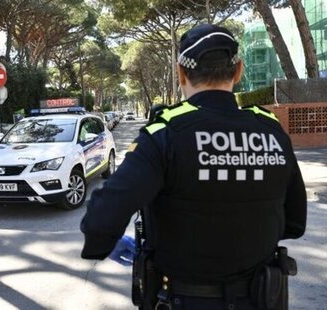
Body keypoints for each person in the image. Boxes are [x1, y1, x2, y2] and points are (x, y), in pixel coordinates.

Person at [80, 24, 307, 309]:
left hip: (183, 299)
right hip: (262, 297)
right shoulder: (272, 131)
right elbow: (295, 222)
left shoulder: (165, 133)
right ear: (238, 71)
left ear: (181, 73)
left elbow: (102, 218)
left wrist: (104, 242)